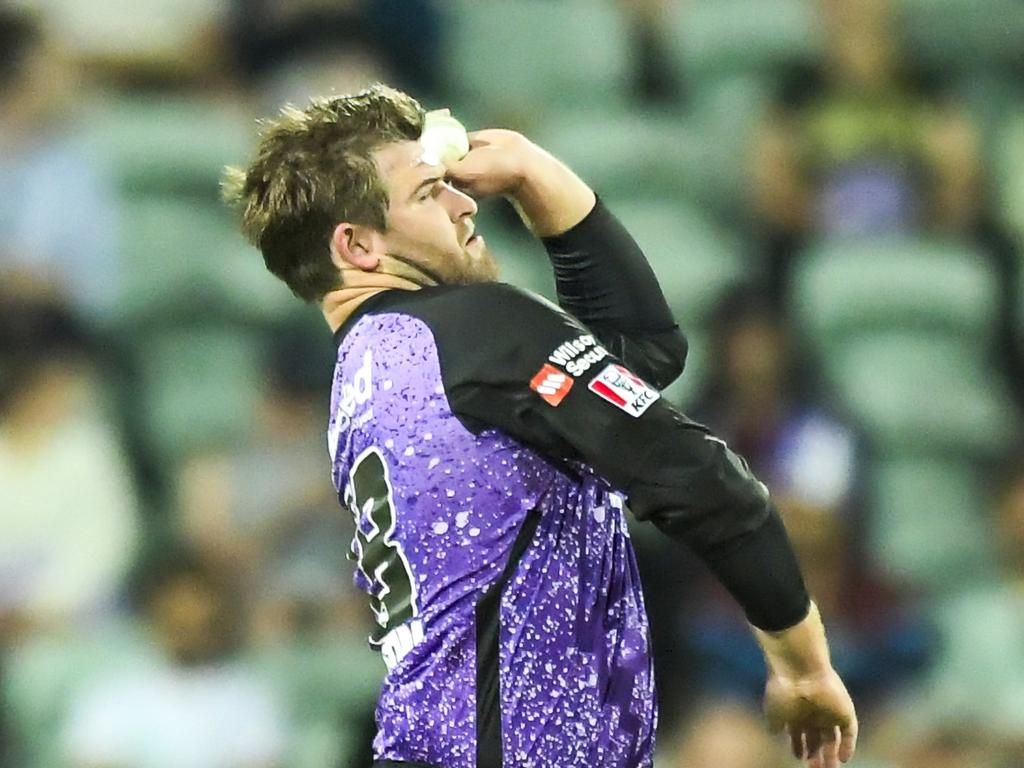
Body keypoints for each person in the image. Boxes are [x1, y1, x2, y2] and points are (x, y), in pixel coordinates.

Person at [223, 83, 857, 768]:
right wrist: (803, 666)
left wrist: (532, 172)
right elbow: (702, 481)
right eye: (429, 193)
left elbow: (636, 364)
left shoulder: (362, 380)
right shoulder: (474, 330)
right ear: (359, 244)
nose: (465, 202)